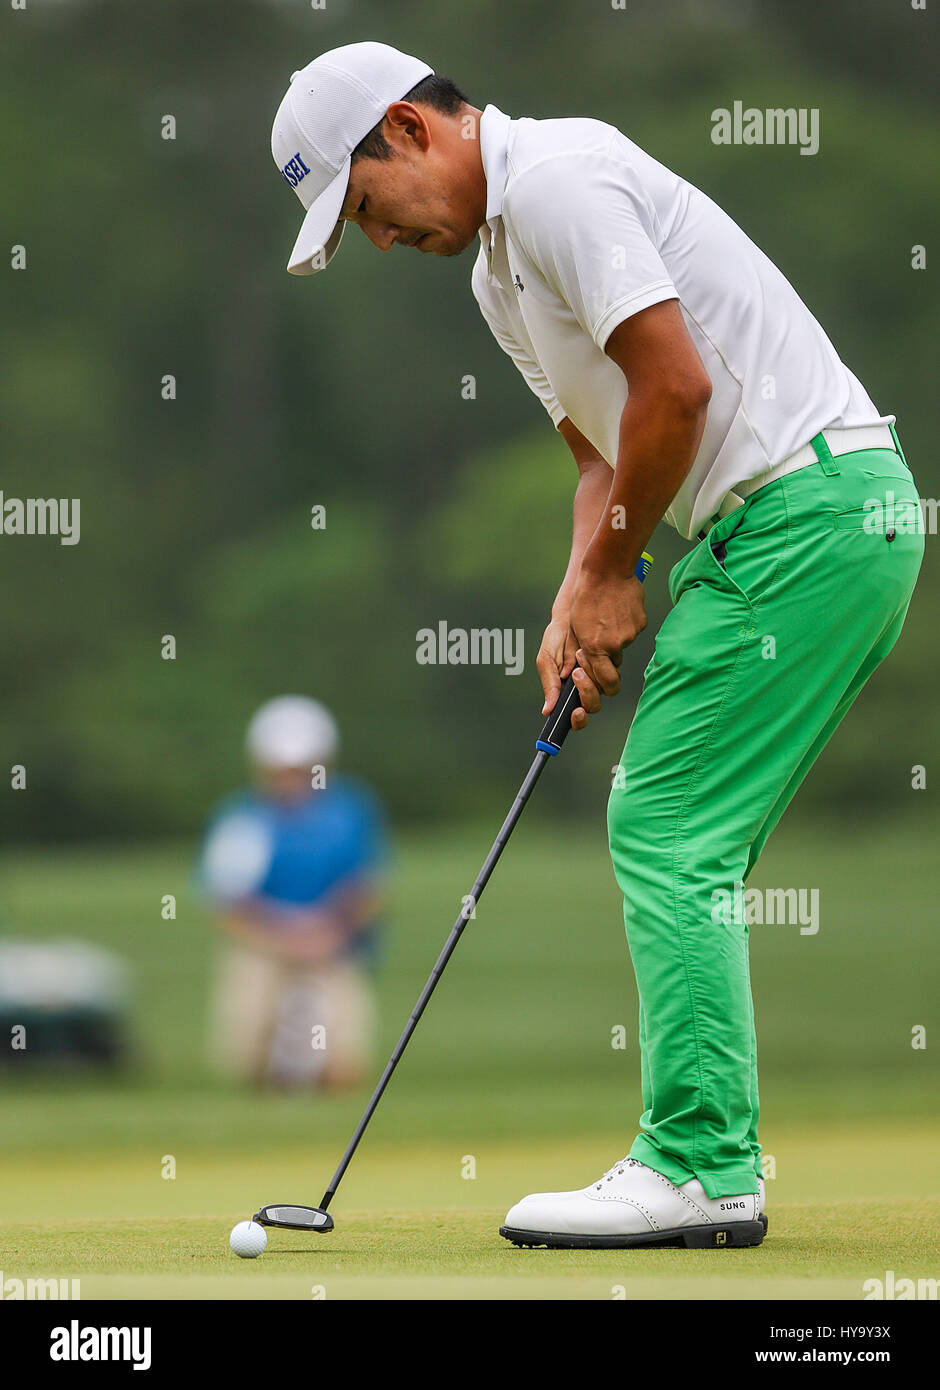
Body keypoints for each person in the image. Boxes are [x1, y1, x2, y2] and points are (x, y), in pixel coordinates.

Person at [268, 45, 924, 1245]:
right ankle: (706, 1156)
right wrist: (576, 600)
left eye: (365, 208)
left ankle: (701, 1167)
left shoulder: (561, 177)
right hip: (793, 521)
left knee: (665, 826)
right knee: (683, 833)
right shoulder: (497, 276)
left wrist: (622, 569)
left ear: (410, 131)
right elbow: (601, 454)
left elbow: (674, 390)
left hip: (807, 509)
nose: (379, 241)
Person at [199, 695, 388, 1090]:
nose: (292, 779)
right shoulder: (242, 819)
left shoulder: (350, 812)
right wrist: (284, 939)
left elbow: (368, 889)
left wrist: (329, 933)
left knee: (343, 1064)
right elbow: (226, 903)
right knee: (248, 1050)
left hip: (333, 942)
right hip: (264, 943)